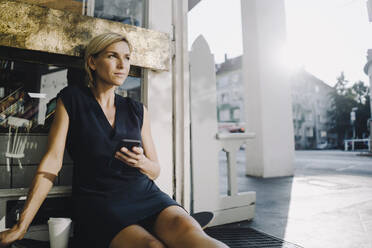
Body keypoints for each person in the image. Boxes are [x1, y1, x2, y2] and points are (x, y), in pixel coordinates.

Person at [0, 33, 228, 248]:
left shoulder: (137, 109)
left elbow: (154, 170)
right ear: (92, 62)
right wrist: (21, 227)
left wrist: (141, 162)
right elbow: (52, 163)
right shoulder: (71, 99)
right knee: (152, 246)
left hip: (145, 194)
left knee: (192, 232)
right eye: (112, 56)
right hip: (99, 202)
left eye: (127, 58)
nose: (122, 65)